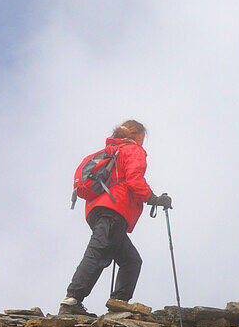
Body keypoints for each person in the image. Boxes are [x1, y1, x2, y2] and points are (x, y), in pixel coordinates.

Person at [60, 120, 171, 315]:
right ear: (136, 136)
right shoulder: (132, 150)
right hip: (114, 209)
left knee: (131, 260)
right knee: (98, 252)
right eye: (142, 139)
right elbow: (134, 180)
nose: (143, 143)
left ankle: (118, 305)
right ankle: (72, 301)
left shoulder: (111, 151)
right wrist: (154, 198)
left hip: (97, 209)